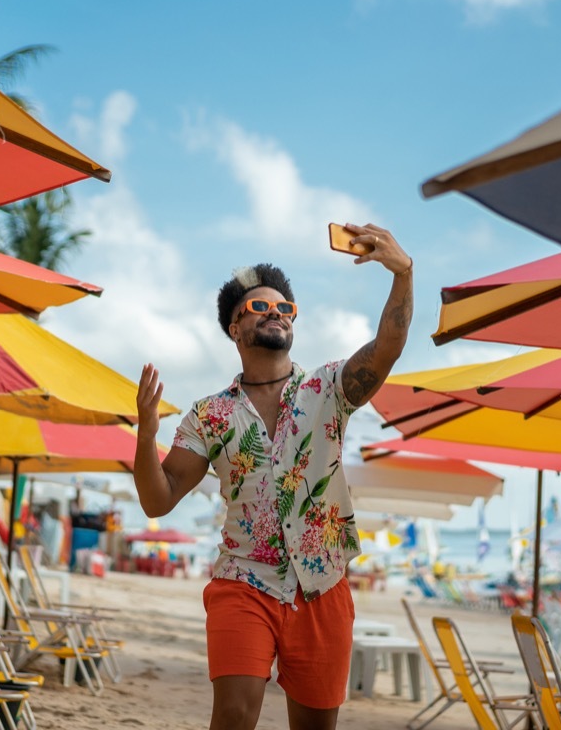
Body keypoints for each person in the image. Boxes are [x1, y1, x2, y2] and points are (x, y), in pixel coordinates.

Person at [133, 224, 412, 730]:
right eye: (260, 306)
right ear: (235, 328)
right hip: (243, 581)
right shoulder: (209, 415)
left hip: (322, 585)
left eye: (286, 308)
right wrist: (146, 434)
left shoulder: (329, 389)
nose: (277, 312)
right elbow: (159, 499)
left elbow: (388, 346)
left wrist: (403, 275)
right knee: (234, 716)